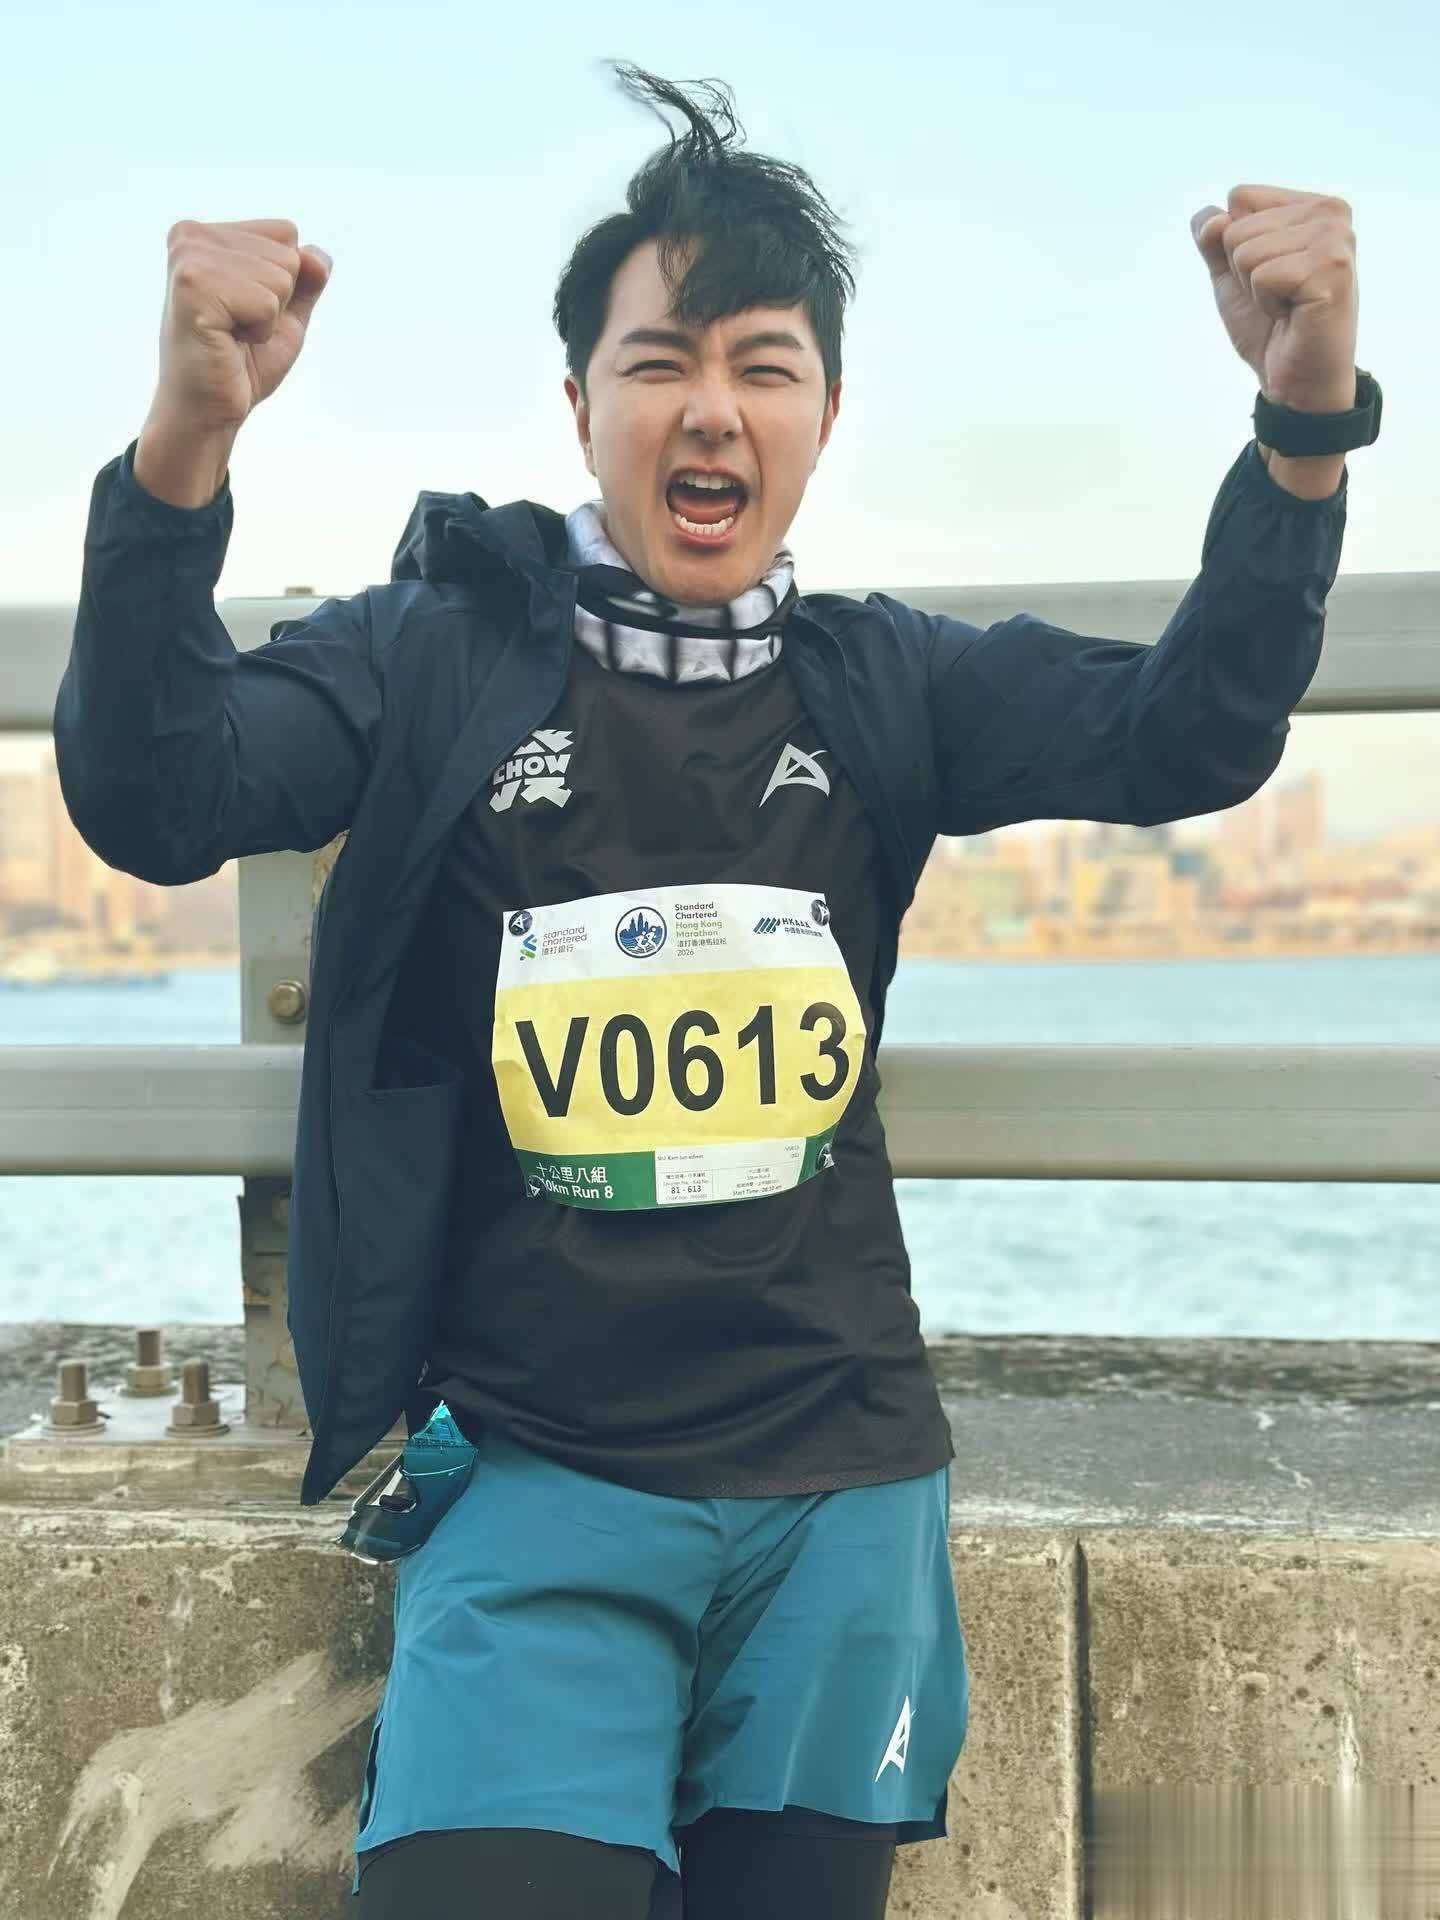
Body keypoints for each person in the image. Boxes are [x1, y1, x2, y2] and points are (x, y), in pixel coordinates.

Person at [55, 57, 1366, 1920]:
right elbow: (155, 793)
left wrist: (1303, 422)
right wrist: (187, 441)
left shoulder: (882, 681)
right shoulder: (433, 657)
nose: (713, 408)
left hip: (840, 1495)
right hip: (536, 1477)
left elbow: (1193, 729)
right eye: (660, 361)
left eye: (767, 366)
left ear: (827, 412)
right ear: (578, 402)